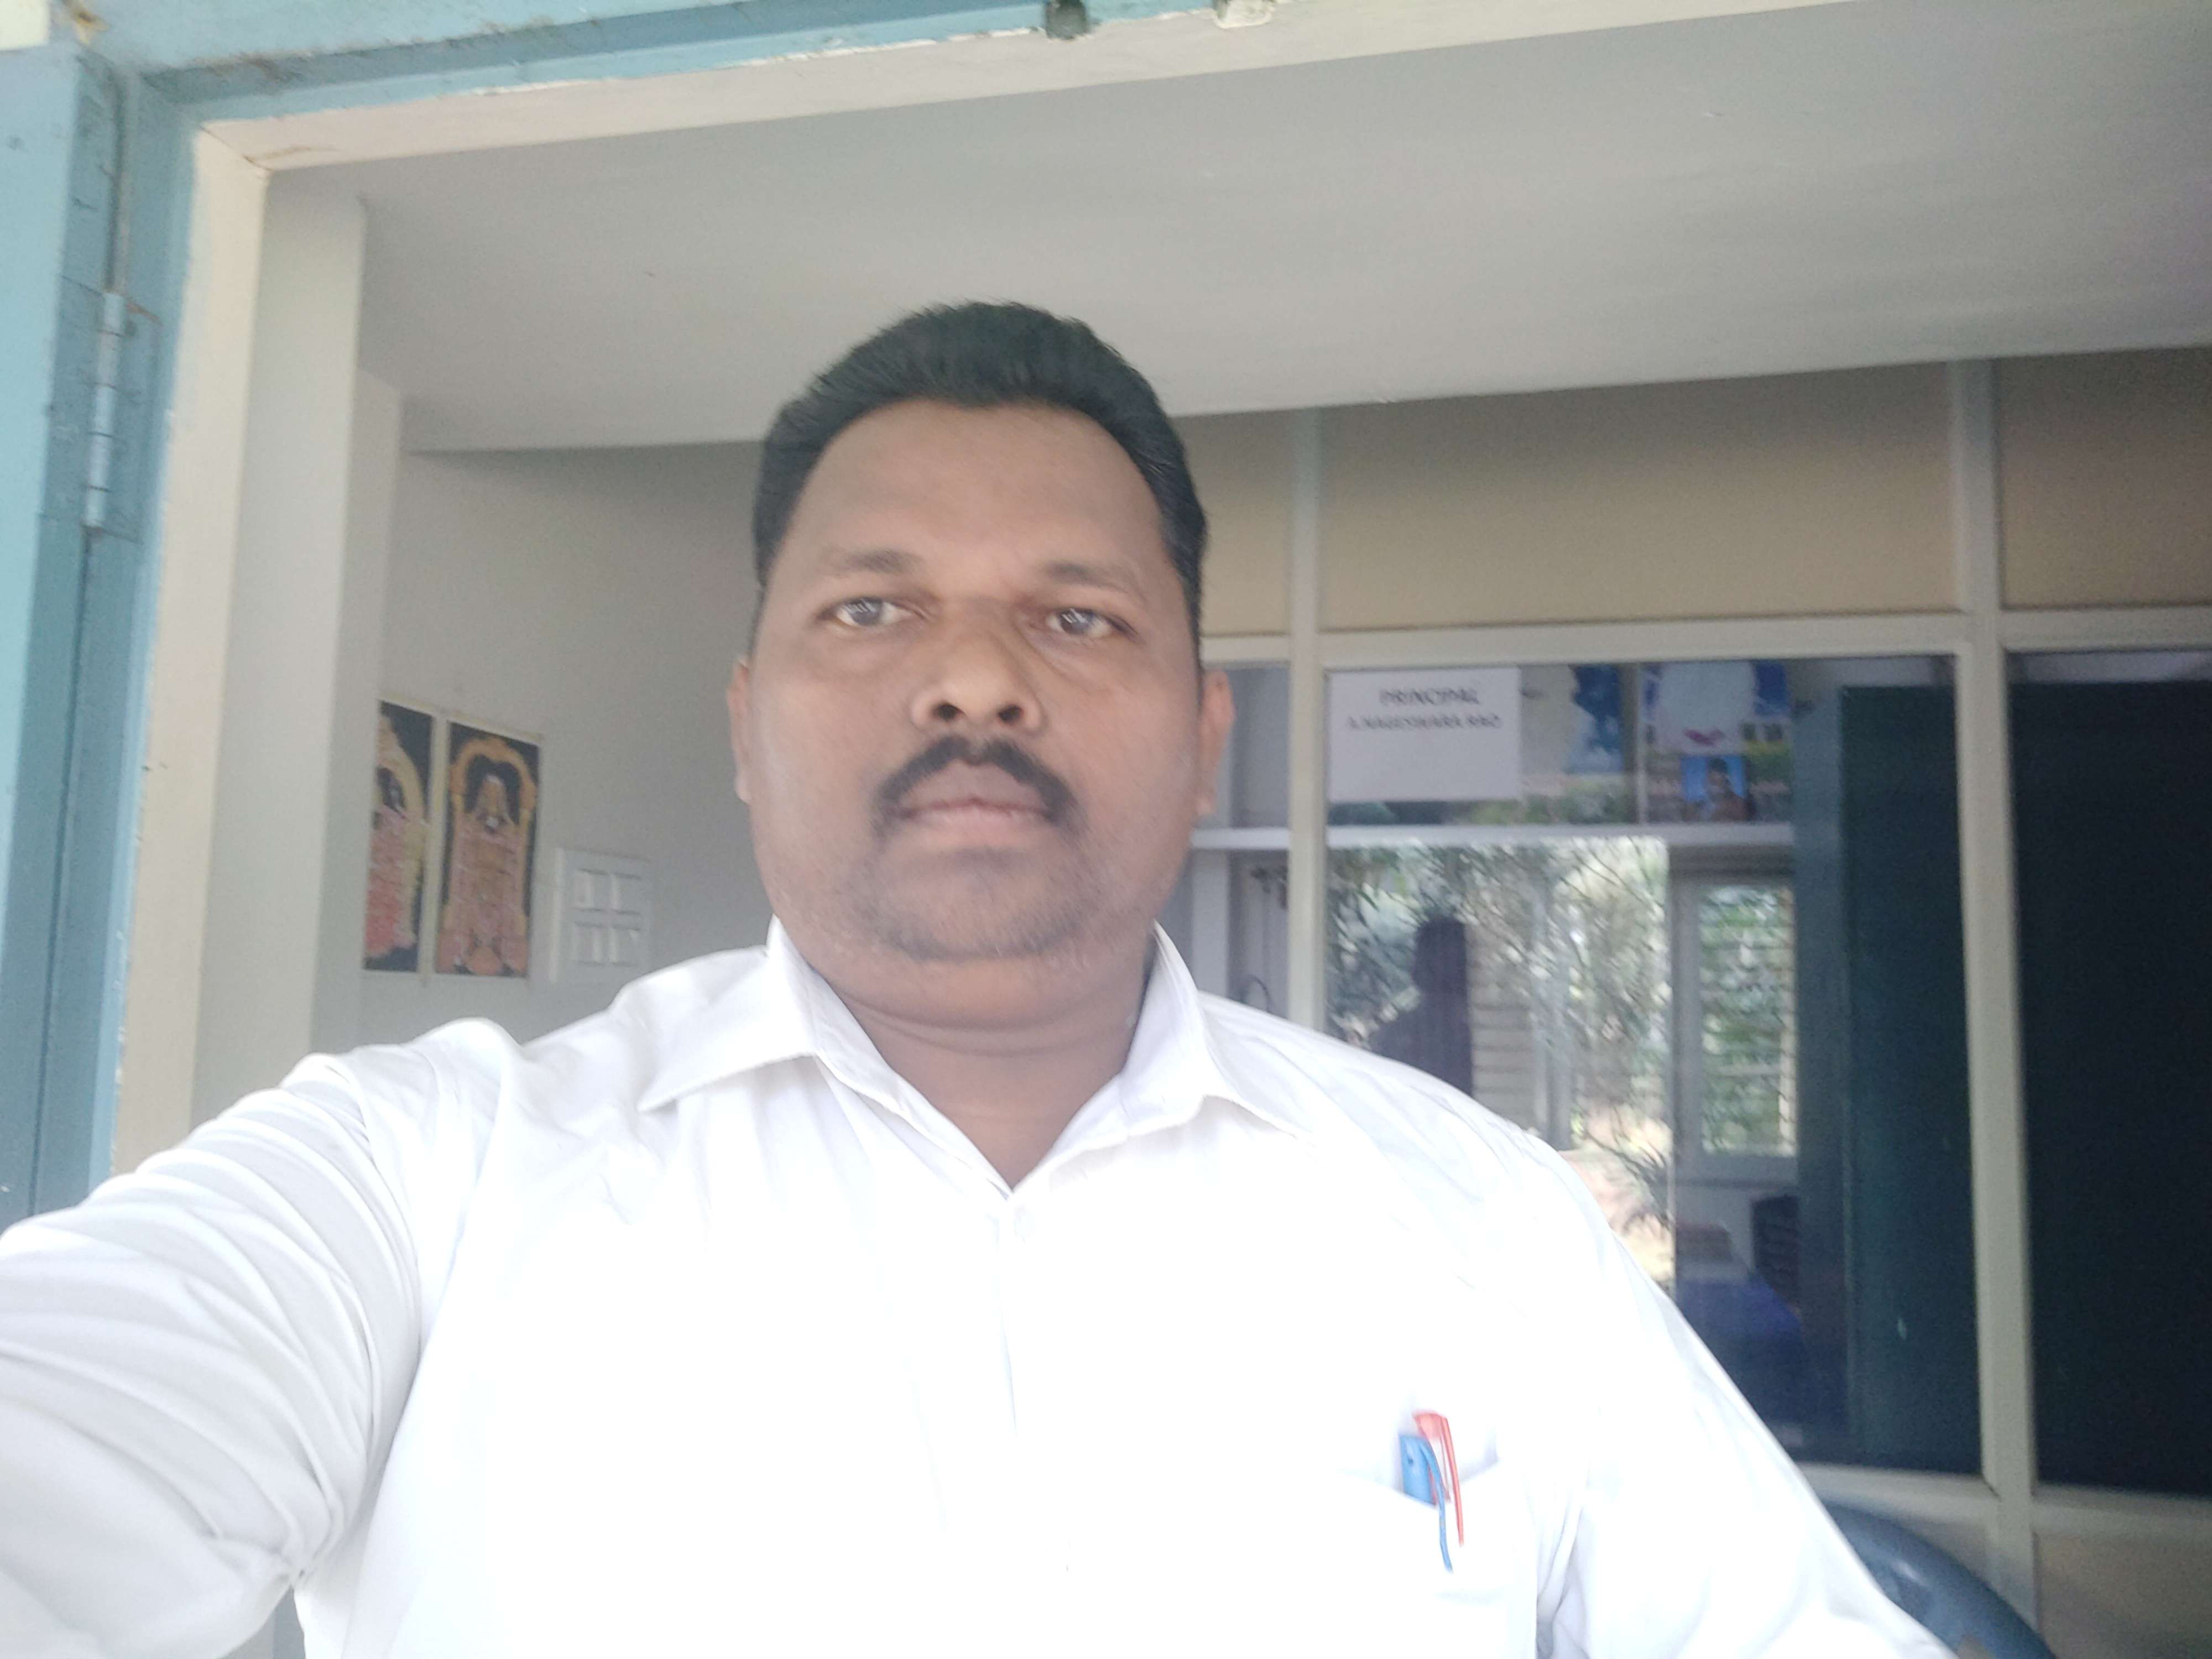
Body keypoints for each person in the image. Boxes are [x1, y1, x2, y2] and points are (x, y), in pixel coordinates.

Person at [0, 304, 1943, 1658]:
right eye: (874, 607)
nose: (974, 680)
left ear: (1202, 739)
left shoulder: (1487, 1224)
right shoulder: (424, 1183)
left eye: (1074, 617)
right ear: (749, 726)